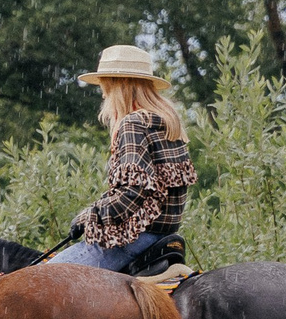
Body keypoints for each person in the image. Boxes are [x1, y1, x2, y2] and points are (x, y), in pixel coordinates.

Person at [49, 44, 196, 272]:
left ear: (120, 84)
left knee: (46, 275)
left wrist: (89, 216)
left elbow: (133, 192)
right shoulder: (164, 121)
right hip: (164, 234)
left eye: (105, 85)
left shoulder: (133, 124)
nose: (103, 92)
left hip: (137, 238)